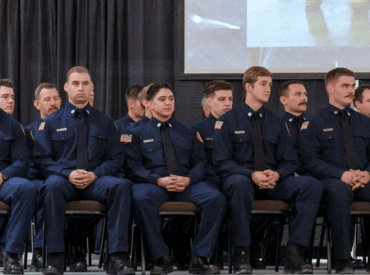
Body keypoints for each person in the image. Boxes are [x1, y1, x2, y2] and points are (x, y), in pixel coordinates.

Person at [213, 66, 323, 274]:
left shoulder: (276, 121)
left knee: (311, 185)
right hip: (242, 179)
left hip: (272, 181)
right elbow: (222, 163)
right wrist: (251, 174)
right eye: (263, 84)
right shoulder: (227, 120)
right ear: (248, 87)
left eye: (270, 85)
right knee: (239, 183)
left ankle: (295, 251)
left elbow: (289, 161)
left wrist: (278, 174)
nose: (268, 89)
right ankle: (242, 252)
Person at [33, 66, 134, 275]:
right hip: (64, 180)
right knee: (51, 186)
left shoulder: (106, 122)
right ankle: (55, 257)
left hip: (96, 181)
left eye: (85, 84)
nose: (81, 88)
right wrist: (67, 173)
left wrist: (95, 174)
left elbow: (116, 158)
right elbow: (42, 159)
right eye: (76, 84)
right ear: (66, 87)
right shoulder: (51, 122)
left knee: (121, 186)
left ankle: (118, 256)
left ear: (91, 88)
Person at [124, 83, 226, 275]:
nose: (168, 103)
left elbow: (200, 163)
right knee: (139, 197)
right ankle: (160, 257)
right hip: (154, 185)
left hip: (185, 184)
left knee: (215, 198)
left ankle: (199, 257)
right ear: (149, 104)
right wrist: (157, 180)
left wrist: (188, 180)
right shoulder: (135, 133)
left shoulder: (188, 132)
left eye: (171, 98)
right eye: (162, 99)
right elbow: (133, 167)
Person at [300, 67, 370, 274]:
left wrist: (367, 174)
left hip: (363, 179)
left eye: (352, 85)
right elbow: (310, 161)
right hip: (331, 180)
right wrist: (341, 175)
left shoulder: (365, 122)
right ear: (330, 88)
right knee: (339, 192)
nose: (351, 90)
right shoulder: (314, 122)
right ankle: (343, 259)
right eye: (345, 86)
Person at [24, 83, 62, 272]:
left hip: (62, 179)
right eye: (47, 99)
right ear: (37, 104)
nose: (53, 103)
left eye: (56, 98)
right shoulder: (28, 131)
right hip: (37, 179)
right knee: (42, 191)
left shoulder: (69, 127)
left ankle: (73, 250)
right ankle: (39, 251)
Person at [0, 106, 37, 274]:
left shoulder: (12, 125)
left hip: (3, 180)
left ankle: (11, 254)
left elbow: (21, 162)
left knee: (26, 188)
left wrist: (3, 175)